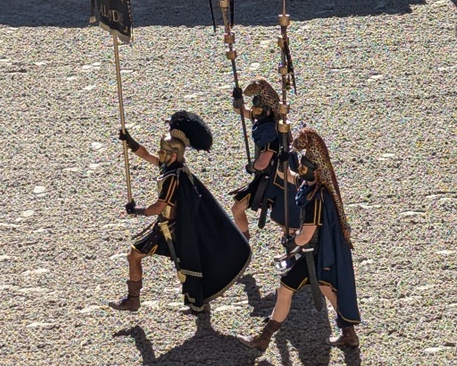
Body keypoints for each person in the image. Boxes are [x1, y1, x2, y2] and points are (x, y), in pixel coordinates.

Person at [110, 111, 251, 314]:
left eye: (163, 152)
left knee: (136, 255)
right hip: (172, 226)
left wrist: (137, 211)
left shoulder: (172, 177)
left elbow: (158, 207)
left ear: (173, 155)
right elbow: (146, 155)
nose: (159, 155)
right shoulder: (175, 168)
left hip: (169, 228)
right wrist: (129, 141)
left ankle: (134, 300)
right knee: (184, 264)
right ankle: (198, 302)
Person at [237, 127, 361, 351]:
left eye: (305, 167)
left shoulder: (315, 199)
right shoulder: (314, 188)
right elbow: (291, 177)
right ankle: (349, 334)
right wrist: (284, 160)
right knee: (327, 289)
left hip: (313, 257)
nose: (301, 168)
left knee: (285, 290)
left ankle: (263, 340)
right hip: (319, 256)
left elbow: (306, 235)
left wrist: (292, 242)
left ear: (316, 171)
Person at [229, 78, 282, 239]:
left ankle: (244, 241)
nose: (254, 112)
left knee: (238, 208)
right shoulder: (262, 119)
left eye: (258, 110)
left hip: (271, 178)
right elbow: (241, 111)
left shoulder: (272, 131)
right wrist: (237, 99)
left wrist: (251, 167)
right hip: (266, 176)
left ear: (267, 110)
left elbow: (262, 163)